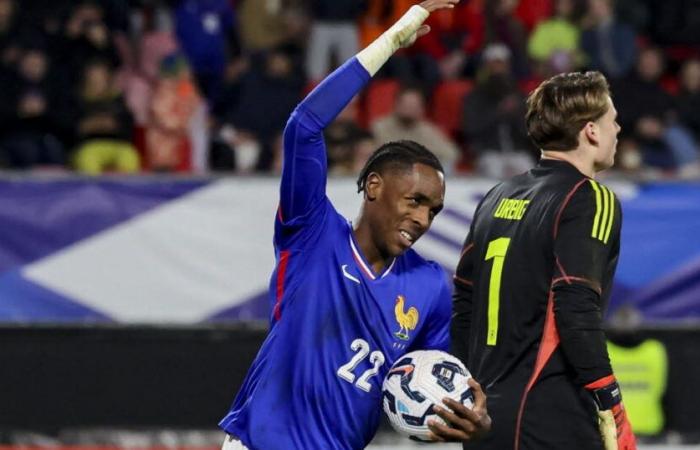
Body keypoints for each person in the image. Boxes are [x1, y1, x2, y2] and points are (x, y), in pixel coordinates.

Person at [219, 1, 491, 449]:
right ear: (373, 186)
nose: (422, 219)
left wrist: (470, 422)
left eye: (433, 211)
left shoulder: (428, 286)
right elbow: (303, 125)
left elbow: (433, 395)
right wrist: (391, 40)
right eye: (415, 201)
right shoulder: (312, 231)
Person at [452, 71, 636, 450]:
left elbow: (464, 302)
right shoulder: (590, 197)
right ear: (591, 131)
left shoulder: (496, 196)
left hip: (485, 417)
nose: (618, 128)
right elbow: (575, 304)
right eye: (612, 119)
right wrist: (611, 402)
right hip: (551, 415)